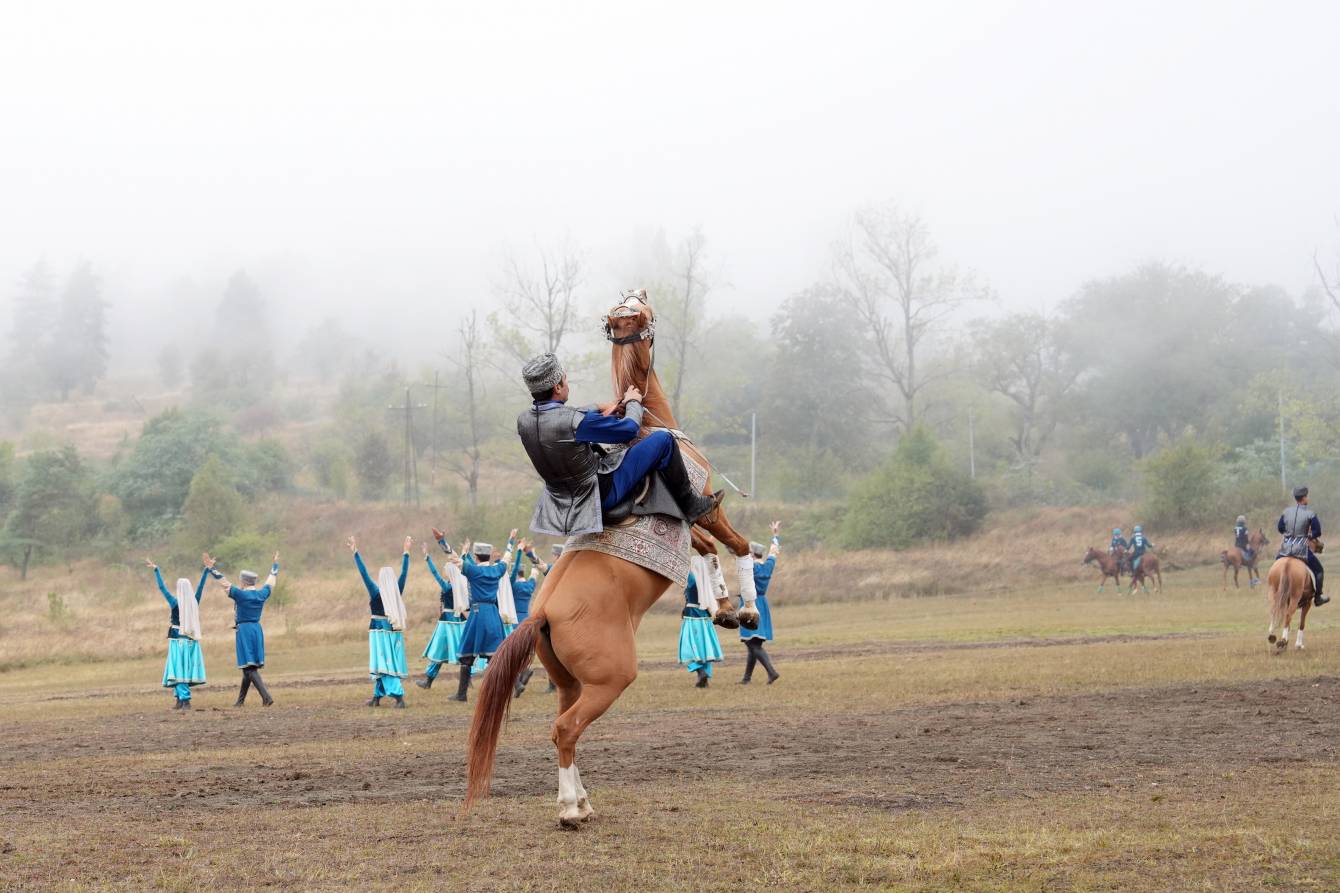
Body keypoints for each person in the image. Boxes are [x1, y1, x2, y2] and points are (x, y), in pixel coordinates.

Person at [516, 352, 723, 537]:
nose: (567, 383)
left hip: (560, 504)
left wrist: (602, 407)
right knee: (664, 440)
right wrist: (633, 402)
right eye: (565, 380)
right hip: (601, 494)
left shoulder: (523, 421)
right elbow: (629, 428)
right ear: (558, 387)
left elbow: (561, 415)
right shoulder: (575, 422)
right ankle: (691, 505)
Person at [435, 529, 514, 702]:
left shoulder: (473, 571)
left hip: (477, 614)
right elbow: (507, 558)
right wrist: (511, 541)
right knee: (495, 656)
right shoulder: (497, 570)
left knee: (467, 656)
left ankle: (461, 694)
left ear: (476, 557)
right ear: (488, 556)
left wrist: (442, 542)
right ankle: (499, 693)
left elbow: (454, 558)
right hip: (493, 614)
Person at [145, 555, 218, 710]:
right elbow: (201, 587)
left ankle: (185, 700)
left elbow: (162, 588)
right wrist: (206, 571)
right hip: (190, 641)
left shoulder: (174, 603)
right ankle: (179, 699)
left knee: (178, 669)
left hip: (178, 641)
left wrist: (156, 570)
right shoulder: (194, 601)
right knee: (184, 669)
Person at [349, 535, 411, 708]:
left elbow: (364, 573)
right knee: (381, 663)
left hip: (379, 632)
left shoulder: (376, 592)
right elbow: (404, 573)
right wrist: (406, 553)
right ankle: (377, 697)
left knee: (384, 663)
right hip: (391, 631)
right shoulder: (397, 591)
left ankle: (399, 697)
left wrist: (355, 552)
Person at [217, 555, 280, 707]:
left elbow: (224, 583)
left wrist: (212, 569)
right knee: (248, 668)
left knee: (250, 669)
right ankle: (240, 702)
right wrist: (275, 566)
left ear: (243, 582)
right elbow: (271, 581)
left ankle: (266, 697)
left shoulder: (241, 595)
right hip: (256, 629)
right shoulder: (261, 594)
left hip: (244, 631)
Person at [416, 542, 465, 690]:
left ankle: (429, 681)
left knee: (438, 651)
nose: (443, 572)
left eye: (445, 570)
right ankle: (465, 679)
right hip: (459, 621)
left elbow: (434, 573)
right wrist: (463, 553)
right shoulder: (461, 584)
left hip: (446, 622)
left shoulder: (447, 586)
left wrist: (427, 557)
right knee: (464, 652)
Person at [740, 522, 781, 685]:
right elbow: (774, 552)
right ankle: (746, 678)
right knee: (753, 643)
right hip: (762, 604)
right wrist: (775, 536)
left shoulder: (750, 567)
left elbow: (738, 555)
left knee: (752, 643)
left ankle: (772, 672)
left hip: (750, 605)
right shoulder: (768, 565)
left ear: (752, 554)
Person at [509, 539, 549, 697]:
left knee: (513, 653)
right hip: (527, 619)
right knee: (523, 651)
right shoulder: (529, 585)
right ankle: (523, 672)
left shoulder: (513, 586)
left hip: (515, 620)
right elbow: (535, 573)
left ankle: (521, 675)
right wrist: (533, 557)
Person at [1278, 486, 1327, 606]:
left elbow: (1280, 528)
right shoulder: (1310, 514)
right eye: (1307, 496)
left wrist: (1289, 533)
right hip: (1301, 550)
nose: (1307, 498)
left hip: (1285, 549)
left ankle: (1274, 592)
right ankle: (1318, 598)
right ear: (1304, 498)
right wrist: (1309, 535)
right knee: (1319, 570)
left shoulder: (1286, 512)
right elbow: (1317, 532)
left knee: (1276, 567)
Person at [678, 570, 723, 688]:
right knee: (705, 646)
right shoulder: (709, 578)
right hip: (705, 616)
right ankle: (704, 679)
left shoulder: (692, 576)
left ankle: (701, 672)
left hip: (692, 615)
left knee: (689, 646)